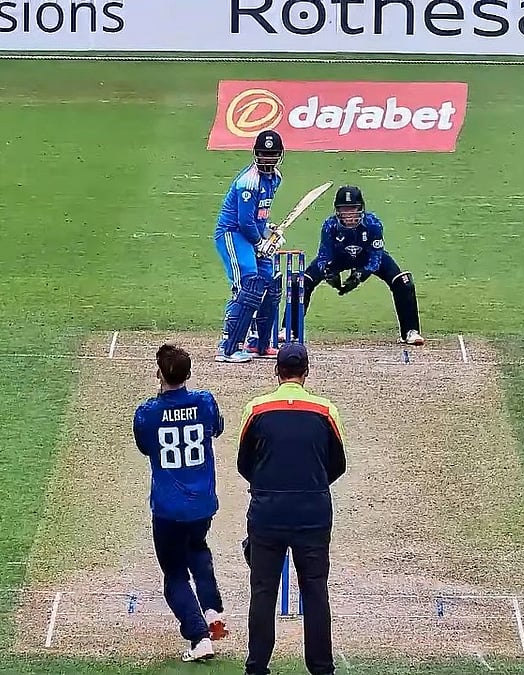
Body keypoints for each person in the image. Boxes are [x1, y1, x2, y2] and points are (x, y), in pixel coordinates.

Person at [238, 343, 346, 675]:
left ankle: (256, 667)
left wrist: (269, 485)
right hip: (312, 513)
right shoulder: (326, 410)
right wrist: (310, 485)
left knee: (263, 591)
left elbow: (244, 464)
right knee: (315, 591)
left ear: (277, 371)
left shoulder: (255, 409)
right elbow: (337, 464)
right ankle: (322, 668)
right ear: (306, 372)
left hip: (267, 513)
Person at [131, 344, 230, 662]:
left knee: (174, 574)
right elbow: (217, 428)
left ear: (159, 374)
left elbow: (146, 448)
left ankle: (199, 637)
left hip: (169, 509)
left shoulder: (147, 412)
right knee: (197, 549)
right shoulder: (204, 401)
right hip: (202, 504)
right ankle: (212, 609)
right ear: (188, 374)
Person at [283, 185, 424, 346]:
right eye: (345, 210)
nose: (349, 215)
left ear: (361, 208)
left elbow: (376, 257)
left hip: (366, 257)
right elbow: (324, 255)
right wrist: (330, 274)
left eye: (353, 209)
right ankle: (290, 329)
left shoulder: (373, 224)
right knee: (299, 281)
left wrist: (360, 275)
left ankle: (410, 331)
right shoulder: (330, 226)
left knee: (403, 281)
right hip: (339, 257)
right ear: (337, 211)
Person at [213, 129, 287, 363]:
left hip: (252, 233)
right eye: (264, 154)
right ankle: (228, 346)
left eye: (273, 154)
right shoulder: (248, 182)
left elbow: (258, 216)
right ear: (256, 154)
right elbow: (244, 221)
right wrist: (260, 242)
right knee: (248, 283)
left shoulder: (275, 178)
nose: (268, 159)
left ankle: (259, 343)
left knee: (269, 281)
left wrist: (268, 230)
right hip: (233, 234)